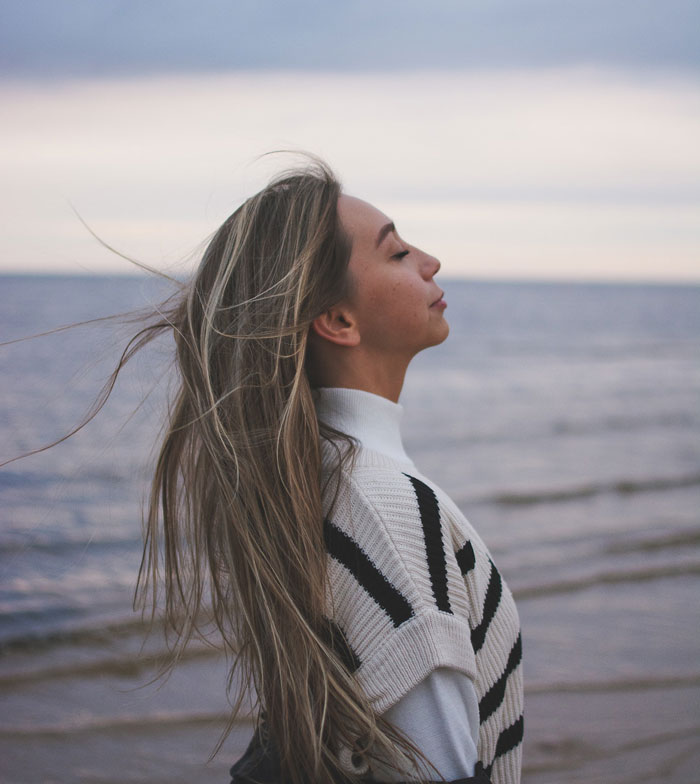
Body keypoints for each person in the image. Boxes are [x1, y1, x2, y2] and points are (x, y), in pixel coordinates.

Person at [21, 155, 523, 783]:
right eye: (396, 254)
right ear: (338, 320)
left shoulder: (332, 482)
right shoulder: (386, 510)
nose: (430, 262)